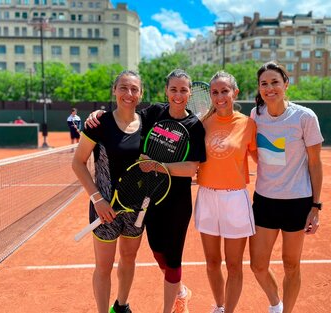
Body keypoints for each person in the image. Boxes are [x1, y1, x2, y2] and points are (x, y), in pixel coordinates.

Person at [85, 69, 207, 313]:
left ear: (190, 92)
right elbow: (124, 117)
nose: (178, 94)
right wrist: (99, 115)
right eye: (173, 89)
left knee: (164, 258)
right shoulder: (153, 114)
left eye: (183, 89)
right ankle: (178, 290)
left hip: (163, 203)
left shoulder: (193, 125)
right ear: (166, 91)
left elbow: (192, 168)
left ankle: (154, 305)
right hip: (136, 201)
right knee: (150, 255)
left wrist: (157, 166)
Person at [248, 61, 324, 313]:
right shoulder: (255, 115)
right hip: (265, 201)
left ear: (286, 84)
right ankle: (275, 304)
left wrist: (315, 206)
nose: (269, 88)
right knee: (258, 265)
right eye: (264, 84)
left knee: (291, 265)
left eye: (275, 82)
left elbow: (315, 163)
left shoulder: (305, 117)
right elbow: (257, 152)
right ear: (259, 89)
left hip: (297, 202)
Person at [72, 70, 146, 313]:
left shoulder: (148, 122)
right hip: (104, 208)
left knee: (129, 258)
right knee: (103, 267)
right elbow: (78, 162)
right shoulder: (99, 123)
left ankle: (121, 306)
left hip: (135, 209)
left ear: (141, 93)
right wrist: (98, 200)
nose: (129, 93)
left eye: (134, 89)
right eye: (123, 88)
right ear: (114, 91)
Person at [195, 71, 257, 313]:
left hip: (235, 199)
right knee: (212, 263)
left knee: (234, 265)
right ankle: (219, 307)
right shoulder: (201, 124)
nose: (220, 97)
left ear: (235, 93)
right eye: (215, 92)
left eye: (225, 91)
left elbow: (262, 157)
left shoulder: (248, 124)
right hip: (207, 197)